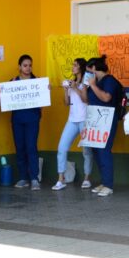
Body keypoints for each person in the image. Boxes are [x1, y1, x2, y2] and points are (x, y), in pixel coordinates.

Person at [82, 56, 123, 197]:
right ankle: (104, 181)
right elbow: (86, 100)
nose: (86, 74)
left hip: (107, 119)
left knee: (104, 150)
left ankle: (108, 185)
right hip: (94, 120)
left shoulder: (109, 80)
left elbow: (106, 98)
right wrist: (84, 87)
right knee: (96, 151)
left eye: (88, 71)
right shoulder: (95, 82)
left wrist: (93, 85)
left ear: (94, 68)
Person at [53, 58, 93, 191]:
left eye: (75, 65)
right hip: (72, 120)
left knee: (86, 151)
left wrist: (75, 87)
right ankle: (61, 179)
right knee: (61, 148)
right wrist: (66, 90)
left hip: (84, 119)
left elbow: (85, 99)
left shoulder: (86, 82)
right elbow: (66, 103)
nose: (73, 67)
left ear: (81, 67)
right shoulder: (72, 82)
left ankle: (87, 178)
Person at [10, 54, 42, 189]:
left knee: (31, 147)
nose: (28, 68)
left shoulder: (37, 82)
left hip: (32, 119)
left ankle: (34, 178)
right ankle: (23, 177)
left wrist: (45, 90)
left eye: (30, 65)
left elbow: (43, 99)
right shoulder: (13, 82)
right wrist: (1, 93)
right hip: (17, 119)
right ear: (19, 67)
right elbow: (6, 99)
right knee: (20, 148)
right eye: (25, 65)